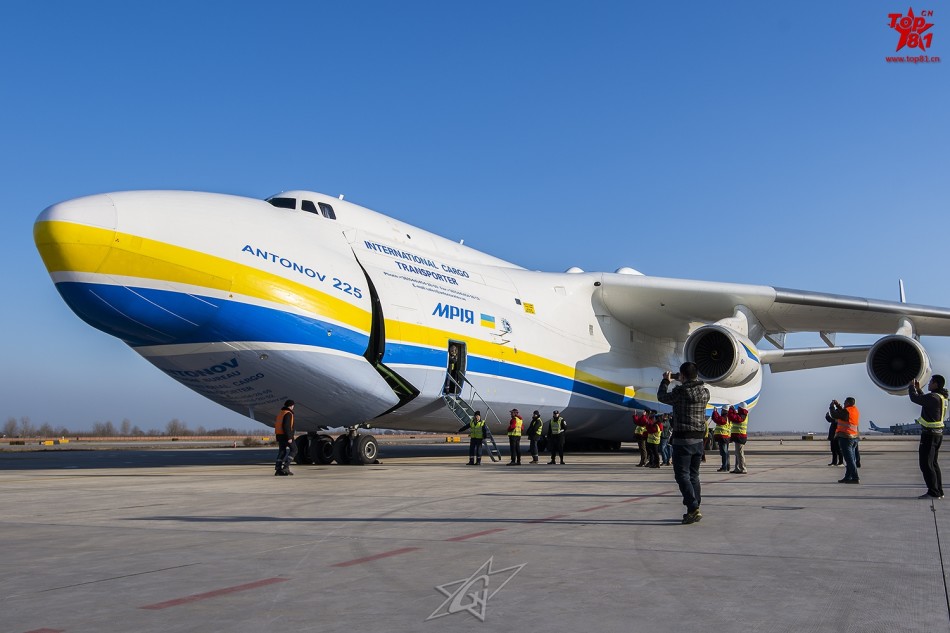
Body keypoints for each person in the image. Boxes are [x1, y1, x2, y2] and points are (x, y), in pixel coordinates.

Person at [657, 362, 710, 524]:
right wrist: (685, 379)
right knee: (694, 475)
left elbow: (661, 397)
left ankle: (692, 508)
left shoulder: (680, 392)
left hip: (683, 439)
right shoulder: (705, 392)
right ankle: (695, 507)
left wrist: (666, 381)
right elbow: (694, 386)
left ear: (682, 375)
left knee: (682, 475)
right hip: (698, 440)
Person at [909, 374, 949, 499]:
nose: (929, 384)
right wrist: (918, 389)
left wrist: (911, 387)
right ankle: (939, 491)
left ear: (936, 384)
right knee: (933, 464)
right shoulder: (941, 397)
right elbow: (924, 400)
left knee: (926, 464)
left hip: (929, 435)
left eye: (931, 382)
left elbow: (915, 399)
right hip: (937, 435)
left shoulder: (933, 397)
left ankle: (933, 492)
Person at [829, 397, 860, 483]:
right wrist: (837, 405)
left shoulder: (847, 412)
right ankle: (848, 477)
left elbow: (834, 415)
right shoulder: (854, 410)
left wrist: (831, 407)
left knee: (849, 460)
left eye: (845, 402)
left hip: (846, 438)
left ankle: (855, 478)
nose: (844, 403)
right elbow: (843, 412)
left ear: (848, 403)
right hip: (854, 438)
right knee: (851, 459)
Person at [274, 399, 297, 476]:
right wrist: (289, 437)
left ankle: (278, 469)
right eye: (293, 405)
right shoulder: (288, 413)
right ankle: (286, 467)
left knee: (282, 451)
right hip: (286, 435)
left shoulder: (281, 413)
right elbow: (286, 426)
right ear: (291, 406)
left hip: (279, 435)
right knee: (294, 450)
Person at [711, 406, 732, 472]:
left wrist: (715, 412)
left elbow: (716, 419)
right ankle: (727, 466)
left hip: (723, 437)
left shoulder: (725, 418)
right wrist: (716, 412)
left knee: (724, 453)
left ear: (725, 411)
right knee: (725, 452)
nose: (721, 411)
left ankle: (724, 467)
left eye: (722, 410)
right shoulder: (728, 418)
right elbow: (718, 418)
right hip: (726, 437)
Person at [729, 405, 749, 473]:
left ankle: (743, 468)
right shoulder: (742, 414)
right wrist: (733, 411)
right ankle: (737, 468)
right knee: (737, 453)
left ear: (741, 408)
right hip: (738, 436)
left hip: (740, 436)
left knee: (740, 453)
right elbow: (735, 416)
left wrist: (731, 410)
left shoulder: (743, 415)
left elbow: (734, 417)